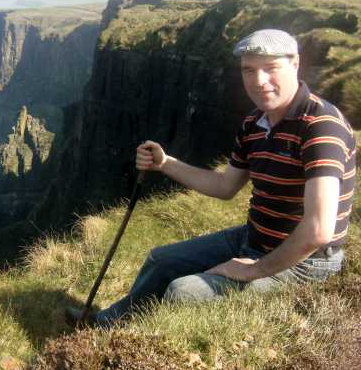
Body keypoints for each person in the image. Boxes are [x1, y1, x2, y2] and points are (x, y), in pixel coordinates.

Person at [66, 29, 357, 327]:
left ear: (295, 63)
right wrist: (165, 163)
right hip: (254, 237)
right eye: (249, 70)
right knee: (161, 260)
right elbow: (225, 186)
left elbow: (319, 231)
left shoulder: (321, 127)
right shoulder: (255, 123)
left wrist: (254, 270)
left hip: (306, 262)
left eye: (270, 68)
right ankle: (105, 325)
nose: (258, 81)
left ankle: (144, 347)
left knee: (184, 292)